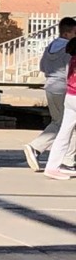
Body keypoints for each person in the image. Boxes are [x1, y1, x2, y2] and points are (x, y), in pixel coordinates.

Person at [23, 17, 76, 172]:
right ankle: (37, 147)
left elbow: (42, 66)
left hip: (50, 85)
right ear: (67, 33)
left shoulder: (52, 45)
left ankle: (67, 159)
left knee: (61, 122)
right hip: (64, 88)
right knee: (64, 124)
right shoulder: (69, 48)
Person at [44, 38, 76, 180]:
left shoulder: (72, 60)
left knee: (64, 133)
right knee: (65, 133)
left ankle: (52, 166)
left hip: (70, 96)